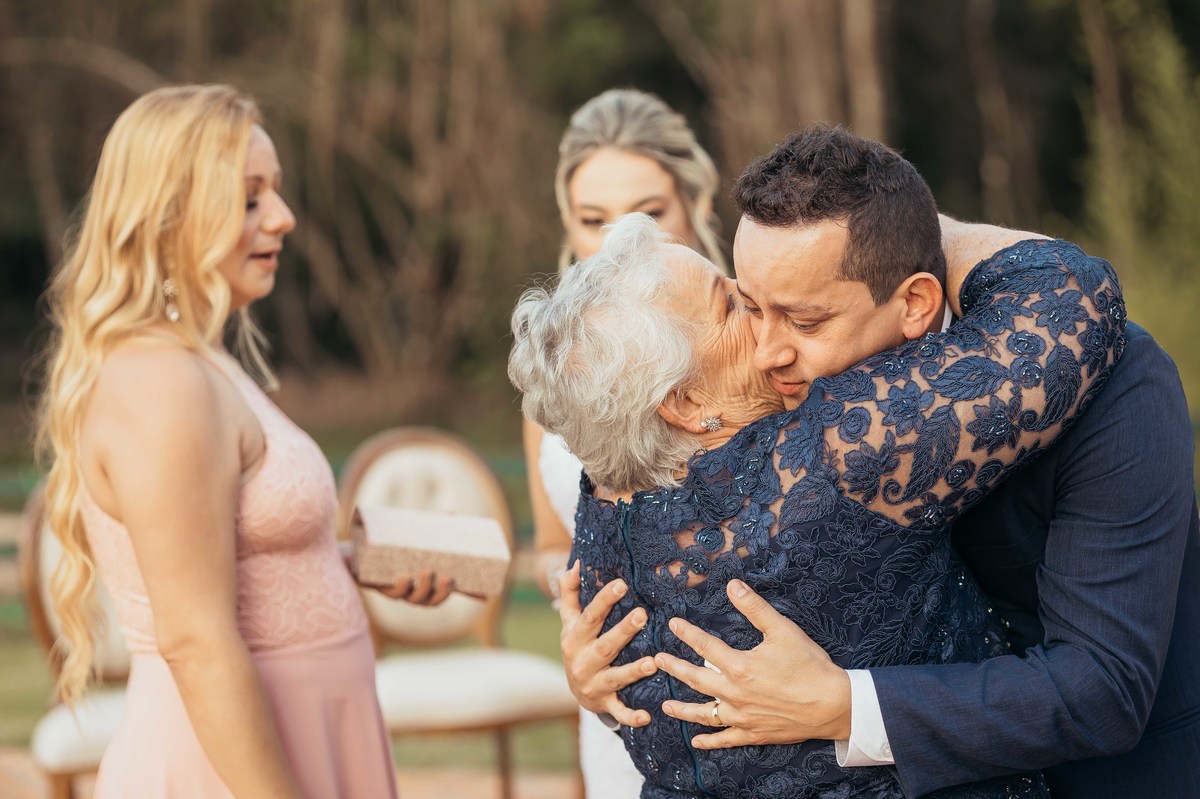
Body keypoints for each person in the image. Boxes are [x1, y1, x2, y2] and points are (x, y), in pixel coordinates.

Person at [568, 127, 1198, 798]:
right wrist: (622, 673)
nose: (766, 350)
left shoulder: (1117, 380)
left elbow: (1104, 687)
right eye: (750, 306)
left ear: (916, 302)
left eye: (804, 319)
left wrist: (849, 704)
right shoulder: (780, 411)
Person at [34, 84, 427, 798]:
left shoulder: (204, 364)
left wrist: (352, 565)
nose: (283, 217)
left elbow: (232, 566)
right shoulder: (159, 383)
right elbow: (193, 636)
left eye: (274, 192)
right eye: (249, 199)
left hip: (312, 736)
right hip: (233, 765)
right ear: (166, 218)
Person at [524, 87, 725, 797]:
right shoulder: (552, 383)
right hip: (616, 696)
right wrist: (580, 617)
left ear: (697, 205)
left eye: (648, 212)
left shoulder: (754, 348)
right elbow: (554, 544)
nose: (619, 241)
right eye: (593, 219)